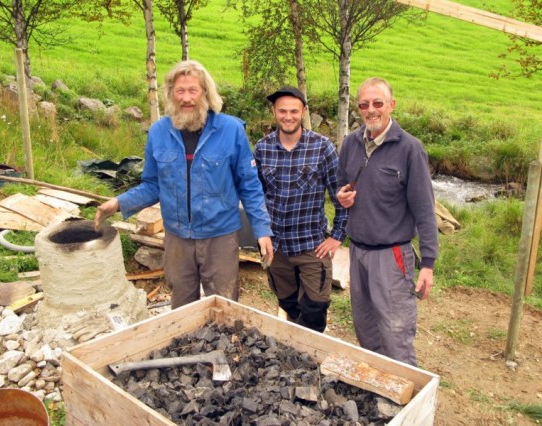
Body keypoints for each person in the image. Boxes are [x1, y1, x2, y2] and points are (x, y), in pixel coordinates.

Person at [94, 60, 274, 309]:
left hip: (219, 236)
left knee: (223, 304)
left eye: (193, 90)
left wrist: (262, 230)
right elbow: (152, 185)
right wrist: (117, 203)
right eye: (180, 91)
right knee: (181, 305)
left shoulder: (230, 130)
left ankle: (225, 345)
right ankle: (187, 348)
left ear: (205, 93)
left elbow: (250, 185)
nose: (186, 98)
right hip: (177, 237)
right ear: (170, 94)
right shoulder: (158, 132)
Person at [336, 77, 438, 366]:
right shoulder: (351, 144)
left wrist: (428, 264)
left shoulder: (409, 149)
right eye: (364, 104)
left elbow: (425, 211)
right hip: (357, 252)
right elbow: (341, 186)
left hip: (391, 255)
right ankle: (381, 390)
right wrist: (340, 197)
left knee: (395, 332)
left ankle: (407, 401)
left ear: (391, 105)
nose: (371, 110)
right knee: (365, 328)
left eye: (378, 103)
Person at [254, 86, 347, 333]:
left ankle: (312, 351)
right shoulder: (262, 148)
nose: (288, 116)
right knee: (288, 302)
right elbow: (256, 196)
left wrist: (337, 236)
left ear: (303, 112)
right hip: (277, 247)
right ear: (274, 112)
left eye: (294, 111)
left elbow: (340, 195)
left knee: (316, 307)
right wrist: (261, 232)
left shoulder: (322, 147)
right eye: (282, 111)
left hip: (311, 245)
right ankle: (295, 347)